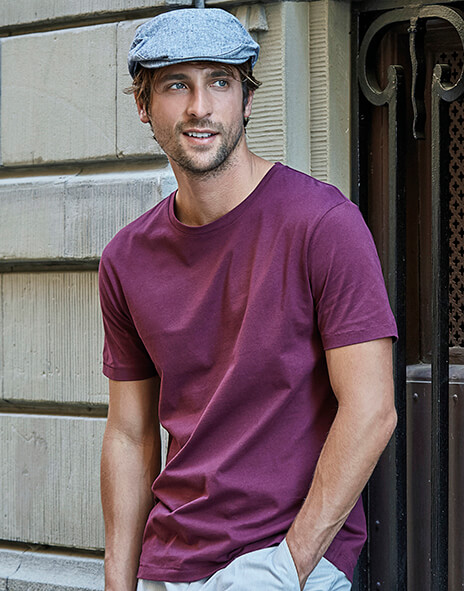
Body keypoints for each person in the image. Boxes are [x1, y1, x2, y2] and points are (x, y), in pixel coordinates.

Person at [98, 8, 398, 591]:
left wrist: (289, 565)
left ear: (247, 100)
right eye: (176, 84)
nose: (200, 107)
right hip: (171, 563)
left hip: (285, 562)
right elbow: (130, 434)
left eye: (220, 81)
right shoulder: (126, 259)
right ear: (143, 105)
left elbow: (371, 409)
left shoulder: (323, 223)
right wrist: (119, 582)